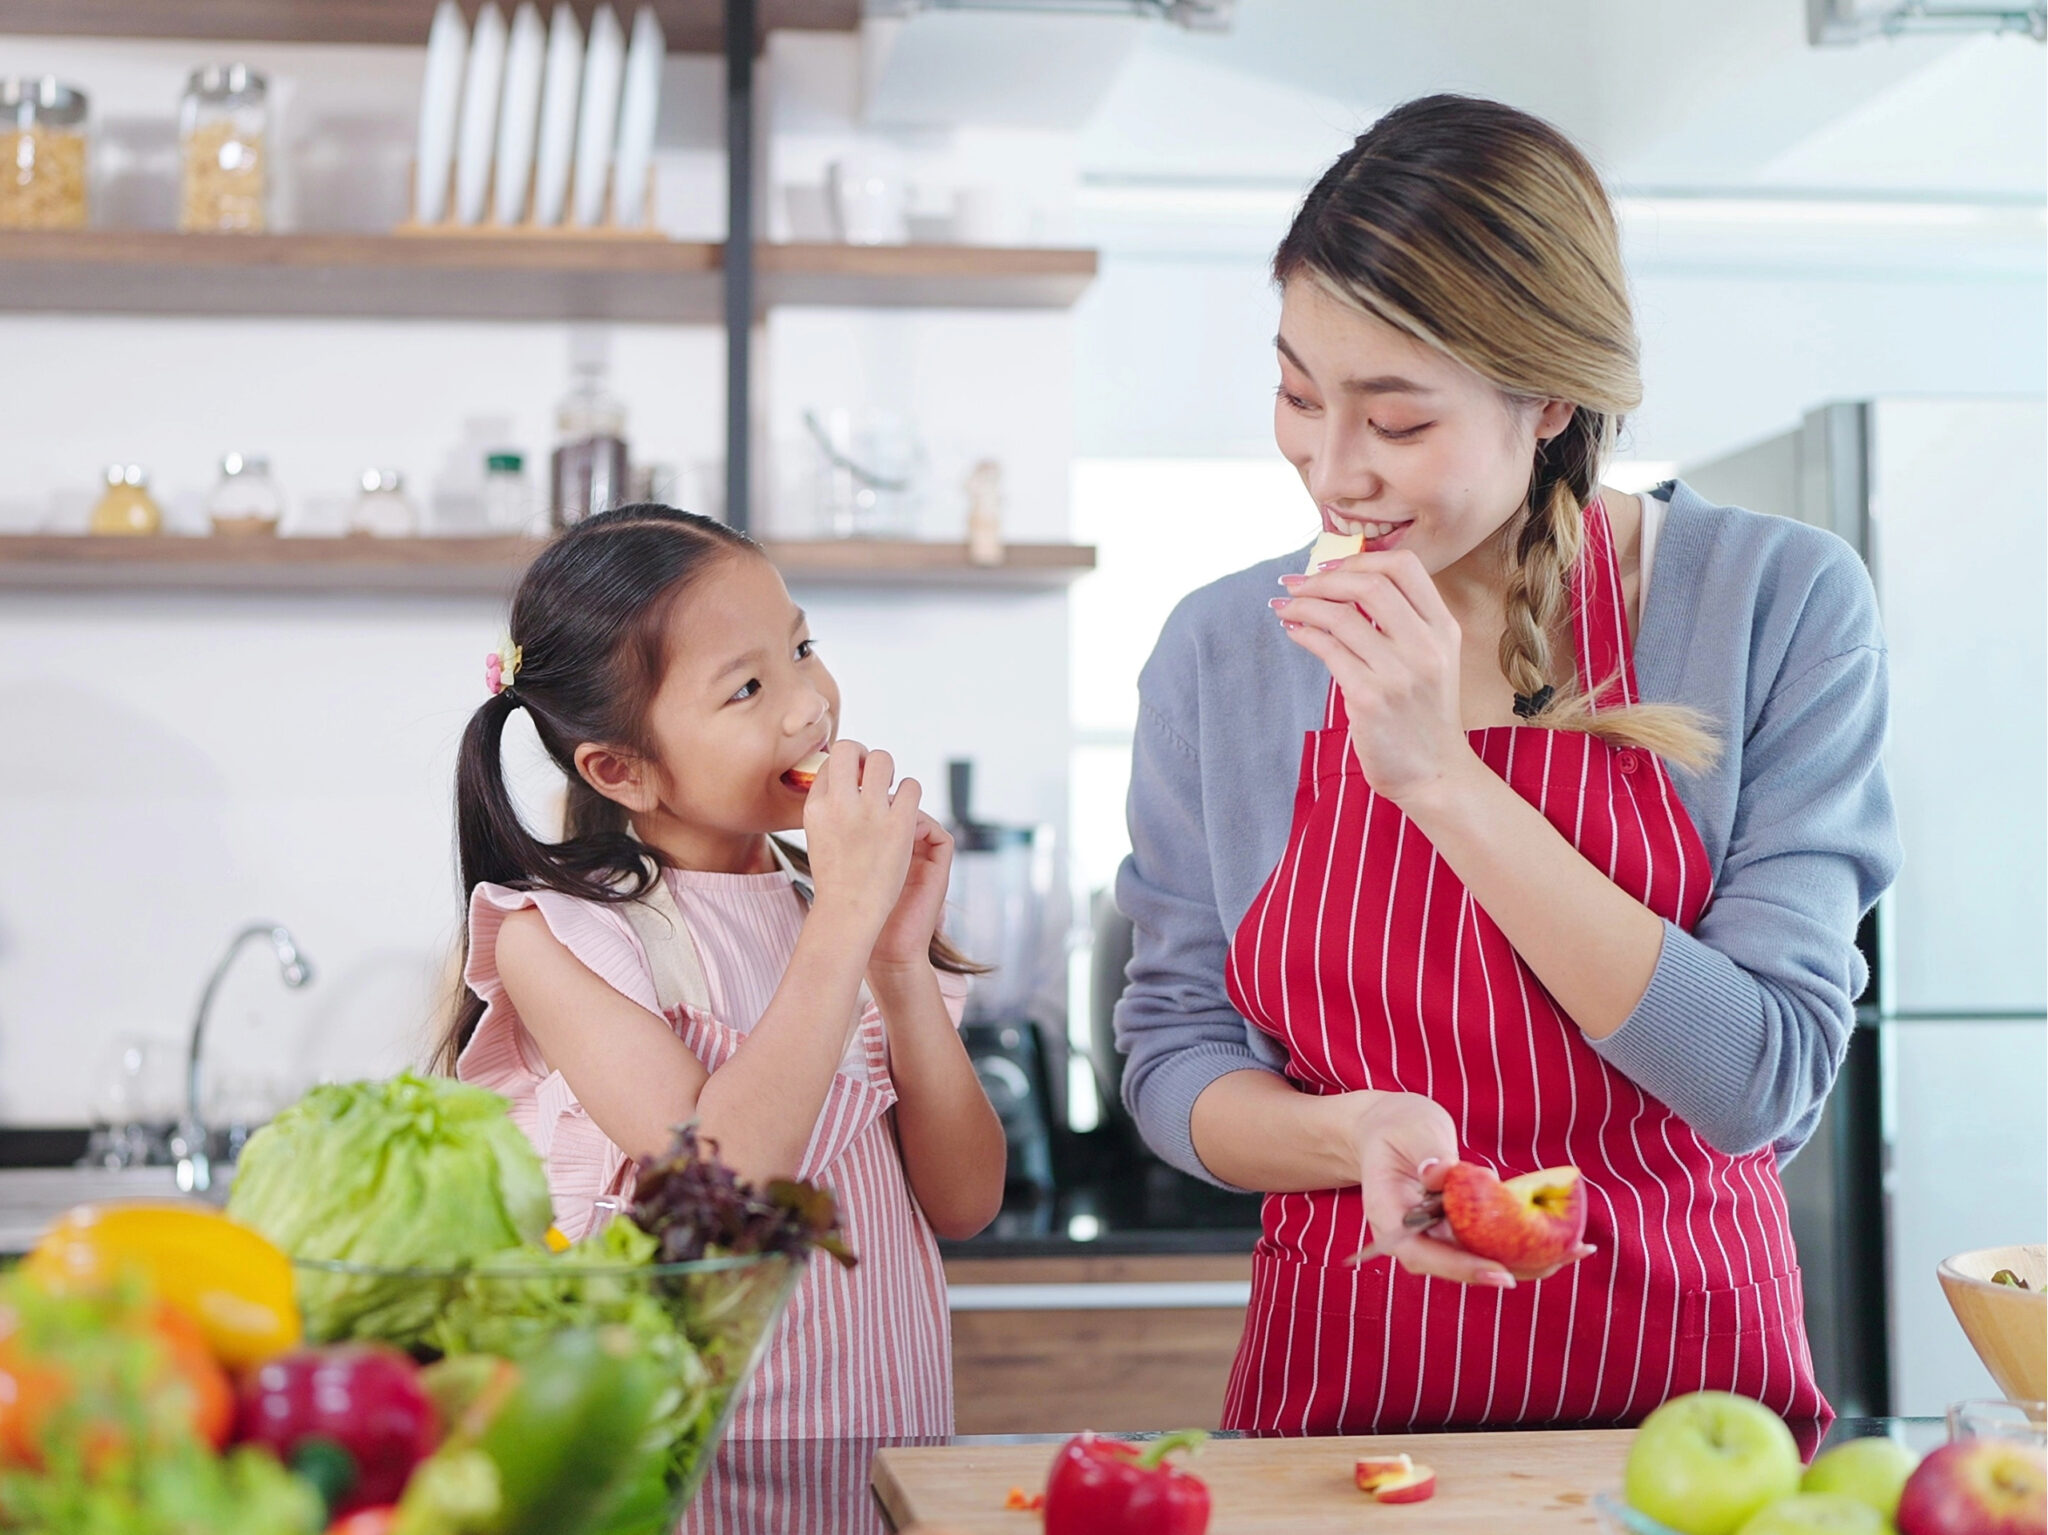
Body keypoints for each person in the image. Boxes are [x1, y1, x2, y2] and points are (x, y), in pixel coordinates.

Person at [1114, 95, 1901, 1434]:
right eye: (1300, 394)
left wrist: (1442, 777)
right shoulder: (1220, 649)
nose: (1331, 465)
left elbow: (1759, 1078)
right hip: (1338, 1416)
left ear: (1548, 399)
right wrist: (1346, 1135)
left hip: (1691, 1427)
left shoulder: (1777, 601)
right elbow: (1172, 1054)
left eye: (1398, 421)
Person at [437, 503, 1006, 1441]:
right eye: (745, 689)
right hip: (704, 1480)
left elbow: (967, 1200)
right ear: (621, 770)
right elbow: (728, 1181)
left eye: (801, 645)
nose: (808, 702)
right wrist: (845, 919)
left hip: (891, 1466)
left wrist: (898, 962)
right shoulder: (563, 936)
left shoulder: (836, 912)